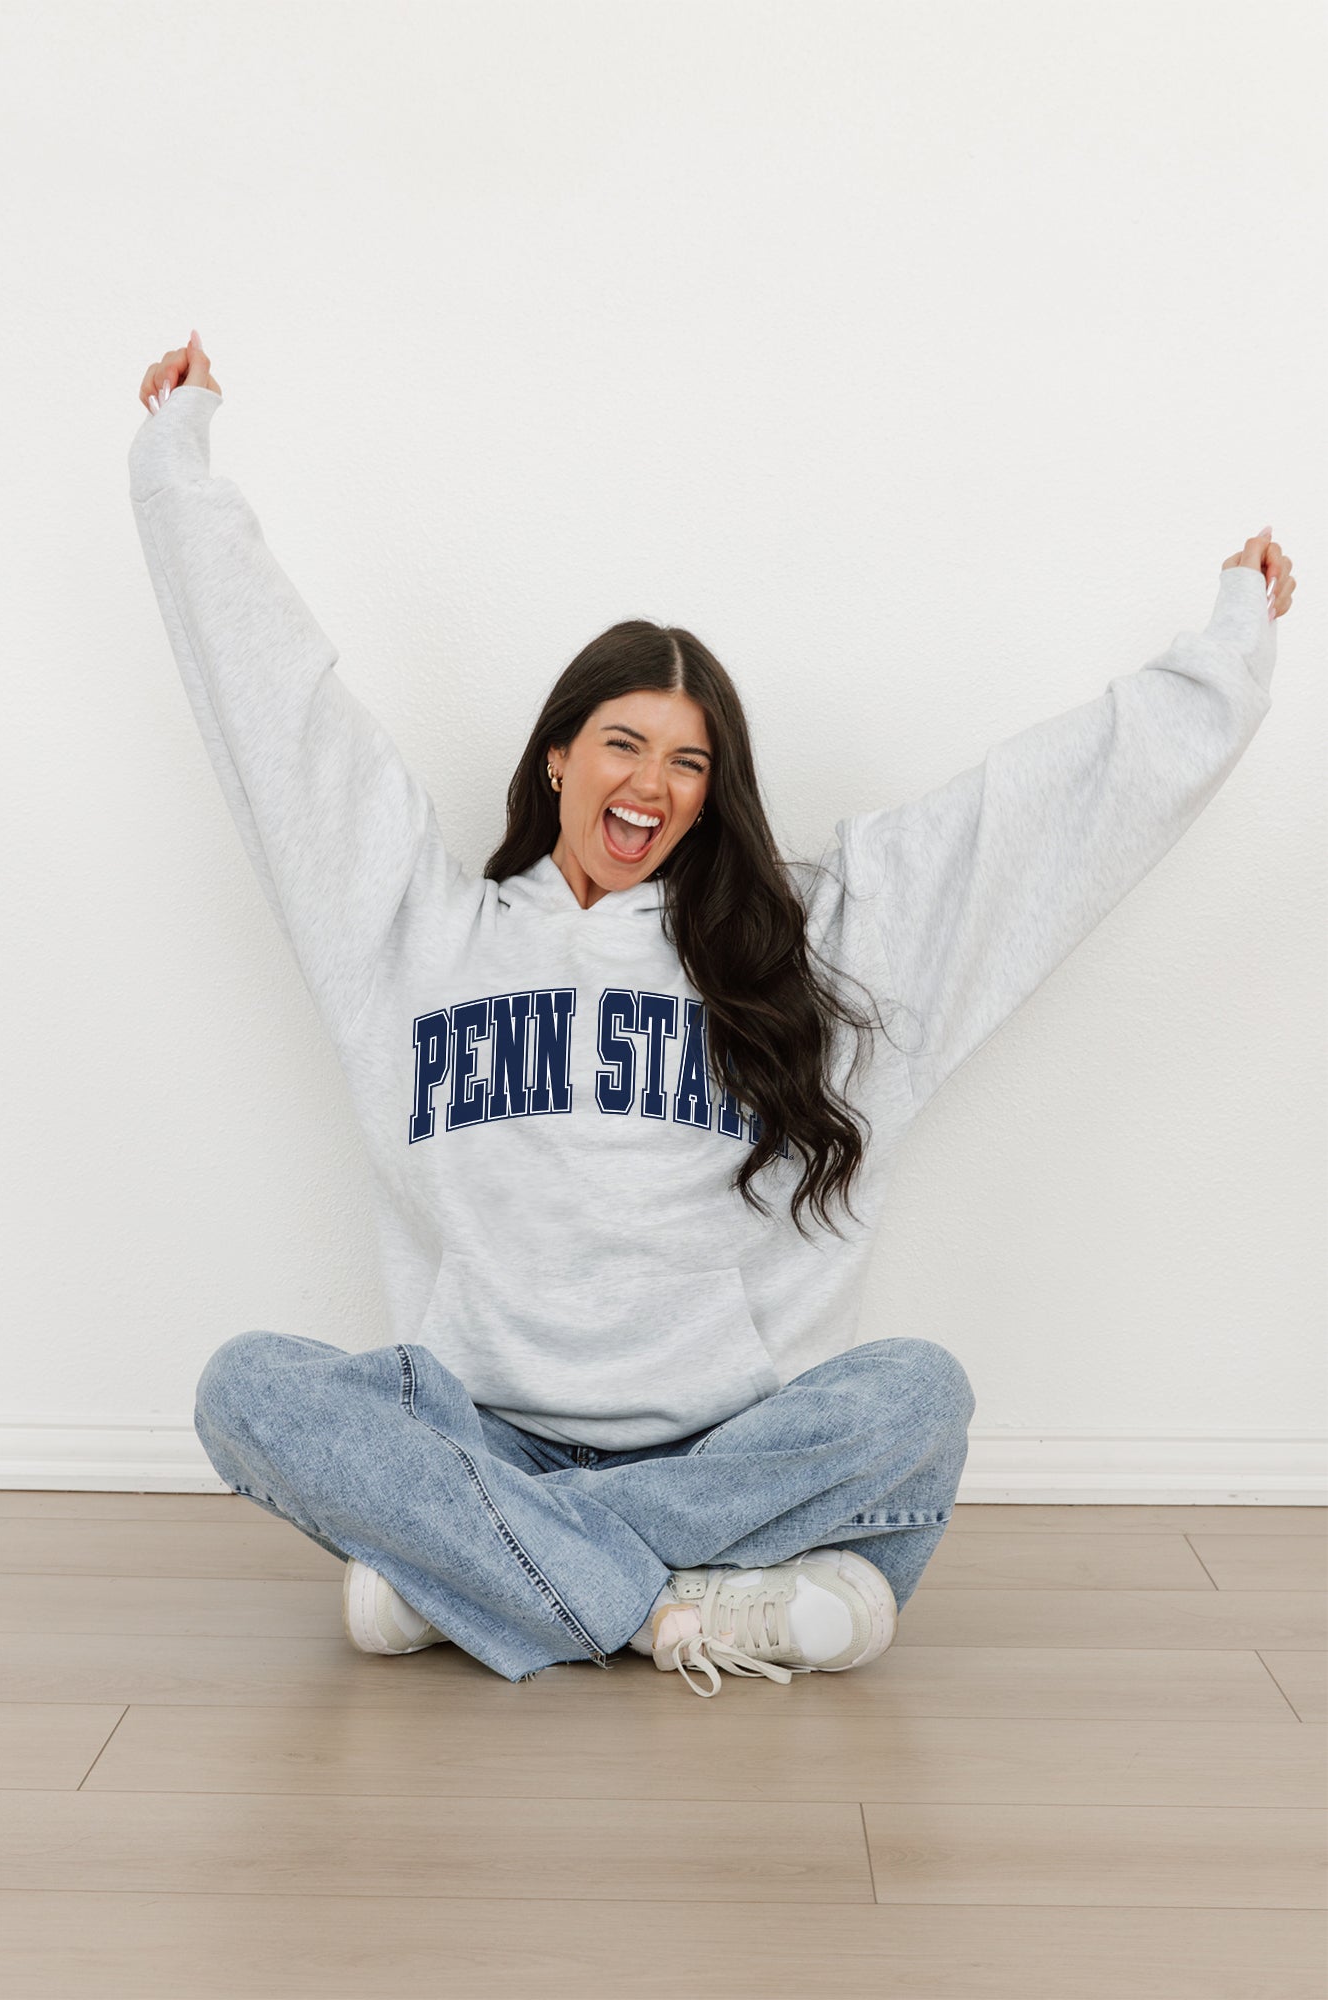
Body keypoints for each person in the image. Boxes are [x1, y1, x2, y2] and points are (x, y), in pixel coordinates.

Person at [131, 333, 1294, 1699]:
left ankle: (476, 1577)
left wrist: (1225, 655)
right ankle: (677, 1603)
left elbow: (1032, 820)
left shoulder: (804, 949)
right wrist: (177, 465)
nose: (652, 785)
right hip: (480, 1434)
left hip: (724, 1444)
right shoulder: (414, 935)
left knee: (917, 1394)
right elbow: (285, 723)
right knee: (245, 1388)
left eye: (690, 762)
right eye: (623, 743)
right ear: (557, 757)